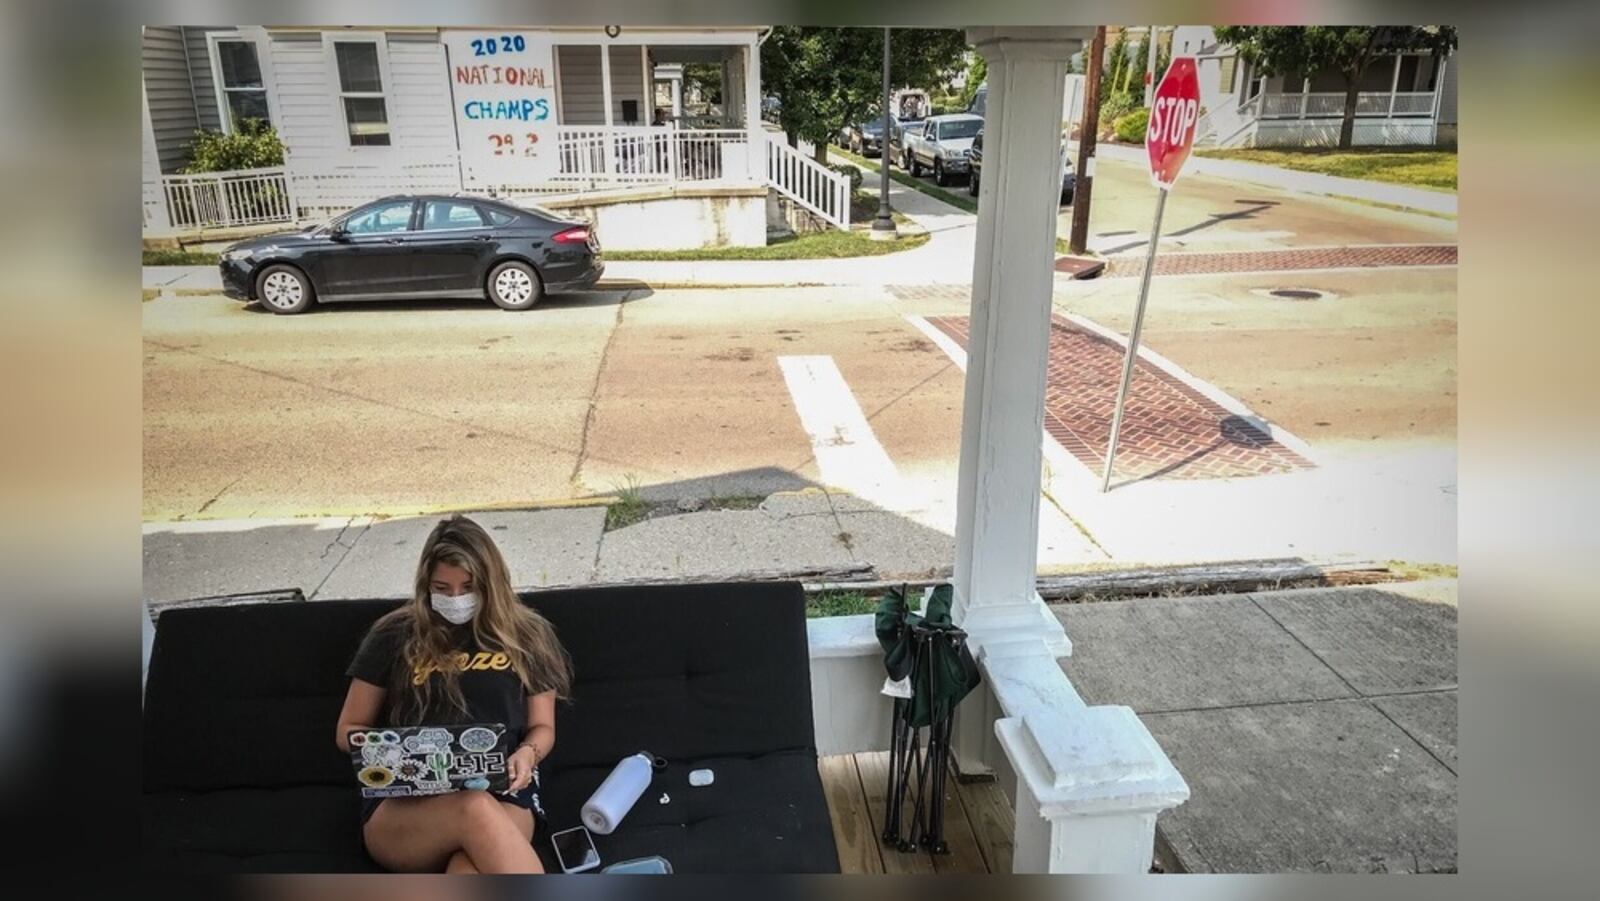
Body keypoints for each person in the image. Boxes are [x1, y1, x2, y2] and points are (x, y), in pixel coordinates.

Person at [335, 514, 573, 873]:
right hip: (408, 804)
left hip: (503, 792)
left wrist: (528, 752)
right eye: (442, 589)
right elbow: (347, 730)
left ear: (490, 583)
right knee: (472, 807)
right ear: (425, 584)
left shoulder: (527, 635)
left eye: (468, 587)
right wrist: (398, 753)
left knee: (466, 867)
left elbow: (543, 727)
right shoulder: (394, 634)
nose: (456, 598)